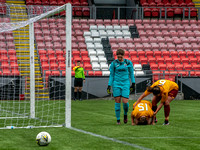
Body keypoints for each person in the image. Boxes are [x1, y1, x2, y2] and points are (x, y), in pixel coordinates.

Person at [107, 49, 135, 125]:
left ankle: (125, 114)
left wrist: (133, 83)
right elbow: (111, 75)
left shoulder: (128, 62)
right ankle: (118, 120)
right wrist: (109, 85)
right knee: (117, 101)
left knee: (125, 102)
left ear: (123, 56)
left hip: (125, 83)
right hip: (116, 83)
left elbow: (131, 73)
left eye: (120, 57)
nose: (119, 59)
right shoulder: (113, 63)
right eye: (118, 57)